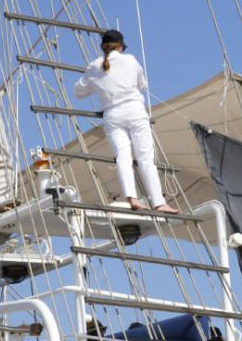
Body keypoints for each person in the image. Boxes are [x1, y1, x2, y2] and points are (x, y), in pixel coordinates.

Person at [73, 30, 179, 213]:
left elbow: (78, 92)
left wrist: (98, 85)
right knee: (145, 158)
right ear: (120, 46)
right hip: (134, 111)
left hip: (112, 116)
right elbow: (142, 85)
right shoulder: (129, 60)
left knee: (123, 157)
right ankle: (159, 202)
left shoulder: (94, 66)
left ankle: (132, 198)